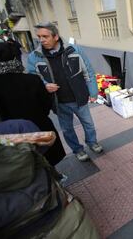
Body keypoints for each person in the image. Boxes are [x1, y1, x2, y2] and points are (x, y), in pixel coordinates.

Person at [27, 22, 103, 161]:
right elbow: (33, 78)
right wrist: (44, 85)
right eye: (39, 37)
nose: (41, 40)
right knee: (67, 129)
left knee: (89, 125)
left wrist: (93, 92)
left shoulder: (74, 50)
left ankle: (92, 142)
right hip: (59, 102)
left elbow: (89, 72)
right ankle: (78, 150)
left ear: (55, 36)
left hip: (79, 98)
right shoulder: (34, 57)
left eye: (45, 36)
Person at [0, 39, 66, 166]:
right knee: (47, 160)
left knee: (25, 167)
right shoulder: (32, 80)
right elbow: (46, 104)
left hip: (10, 139)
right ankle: (54, 179)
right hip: (39, 129)